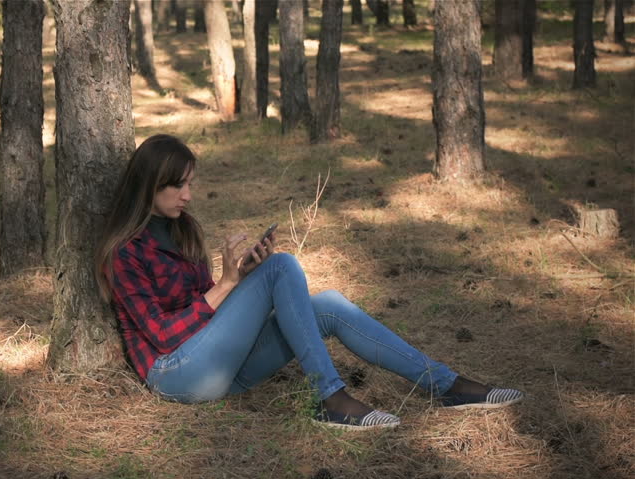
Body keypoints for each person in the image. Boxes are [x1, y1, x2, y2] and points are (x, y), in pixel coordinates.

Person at [95, 134, 523, 431]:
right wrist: (227, 285)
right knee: (281, 268)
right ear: (151, 184)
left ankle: (445, 384)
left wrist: (240, 277)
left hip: (221, 367)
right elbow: (163, 335)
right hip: (176, 375)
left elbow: (204, 309)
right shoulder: (125, 251)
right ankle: (331, 398)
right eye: (179, 185)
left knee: (331, 305)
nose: (188, 195)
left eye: (190, 183)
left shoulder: (182, 226)